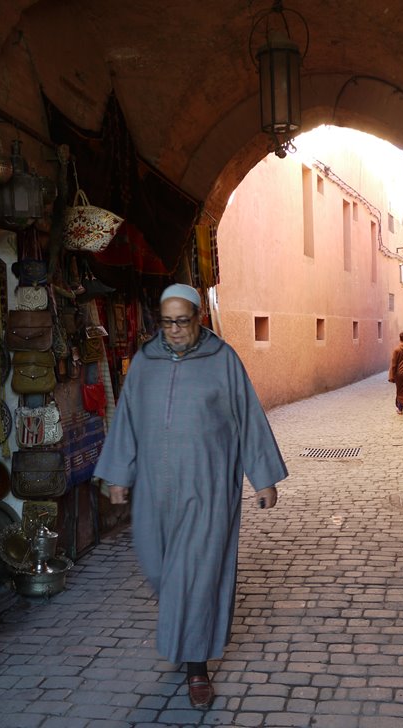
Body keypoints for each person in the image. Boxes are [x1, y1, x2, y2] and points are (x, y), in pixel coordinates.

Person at [93, 283, 287, 710]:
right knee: (157, 562)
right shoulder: (146, 361)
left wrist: (264, 478)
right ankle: (184, 629)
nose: (175, 330)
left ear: (199, 318)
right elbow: (126, 417)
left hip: (208, 486)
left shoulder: (224, 361)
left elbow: (248, 418)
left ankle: (196, 668)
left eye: (183, 321)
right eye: (167, 322)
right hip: (155, 490)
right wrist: (119, 475)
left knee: (196, 576)